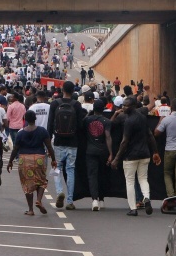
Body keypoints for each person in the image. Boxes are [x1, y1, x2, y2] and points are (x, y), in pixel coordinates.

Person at [110, 97, 161, 216]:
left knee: (130, 181)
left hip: (130, 156)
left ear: (132, 106)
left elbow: (124, 142)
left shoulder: (128, 121)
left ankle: (133, 208)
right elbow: (150, 136)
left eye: (126, 106)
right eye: (123, 105)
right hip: (144, 154)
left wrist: (116, 159)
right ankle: (146, 198)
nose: (123, 108)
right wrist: (155, 152)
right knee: (143, 178)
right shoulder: (143, 118)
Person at [7, 110, 57, 215]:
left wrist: (10, 161)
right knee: (41, 180)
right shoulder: (42, 131)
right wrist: (53, 159)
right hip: (39, 159)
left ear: (25, 120)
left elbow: (15, 149)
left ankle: (30, 209)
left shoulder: (20, 133)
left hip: (24, 160)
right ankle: (38, 200)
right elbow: (49, 147)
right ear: (35, 119)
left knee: (27, 184)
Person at [47, 81, 84, 210]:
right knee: (70, 170)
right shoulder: (77, 105)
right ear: (73, 90)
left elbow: (50, 124)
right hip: (73, 143)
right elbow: (80, 126)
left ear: (62, 90)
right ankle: (69, 201)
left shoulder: (55, 104)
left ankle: (59, 192)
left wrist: (49, 143)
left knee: (57, 168)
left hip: (58, 142)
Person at [83, 100, 113, 211]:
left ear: (93, 108)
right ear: (104, 108)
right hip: (103, 151)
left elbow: (81, 124)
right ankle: (101, 199)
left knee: (92, 176)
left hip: (90, 151)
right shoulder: (107, 121)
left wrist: (89, 113)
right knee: (103, 175)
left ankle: (94, 200)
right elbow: (108, 137)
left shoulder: (87, 120)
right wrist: (111, 153)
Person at [154, 99, 176, 197]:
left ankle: (171, 196)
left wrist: (160, 121)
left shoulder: (166, 119)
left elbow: (156, 133)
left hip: (169, 149)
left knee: (167, 173)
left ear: (171, 107)